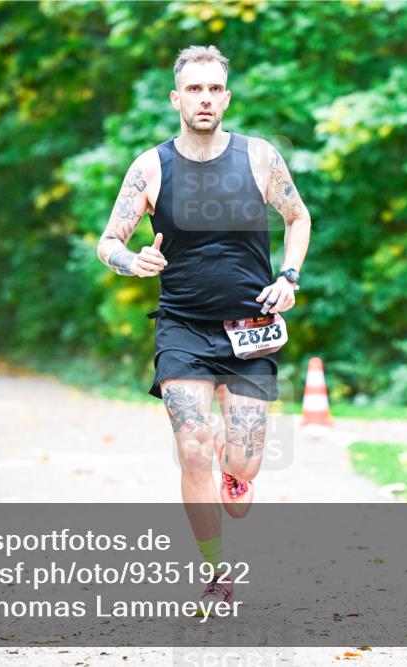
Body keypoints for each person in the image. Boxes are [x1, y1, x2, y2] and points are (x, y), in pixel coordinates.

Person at [95, 45, 312, 607]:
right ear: (177, 98)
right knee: (190, 447)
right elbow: (108, 242)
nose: (206, 98)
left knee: (241, 467)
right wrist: (132, 261)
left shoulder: (259, 158)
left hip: (250, 327)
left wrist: (288, 276)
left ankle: (232, 466)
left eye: (214, 88)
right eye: (195, 89)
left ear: (227, 97)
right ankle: (216, 572)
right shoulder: (151, 167)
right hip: (183, 328)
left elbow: (297, 217)